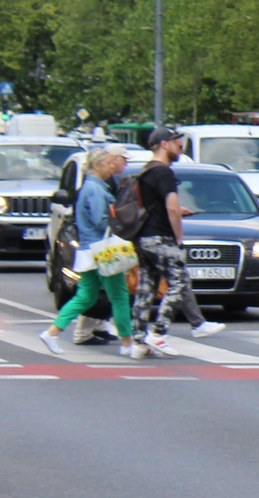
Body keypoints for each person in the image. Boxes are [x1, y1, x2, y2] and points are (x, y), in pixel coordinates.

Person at [37, 148, 144, 359]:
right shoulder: (95, 189)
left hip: (88, 251)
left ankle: (52, 332)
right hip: (102, 250)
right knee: (120, 296)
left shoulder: (89, 186)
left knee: (86, 296)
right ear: (98, 165)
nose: (111, 167)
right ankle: (127, 342)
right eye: (108, 164)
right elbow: (100, 220)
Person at [130, 126, 224, 355]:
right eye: (177, 143)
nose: (180, 148)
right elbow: (170, 207)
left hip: (143, 238)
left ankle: (139, 341)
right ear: (164, 144)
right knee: (180, 282)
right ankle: (159, 333)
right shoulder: (164, 173)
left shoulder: (146, 171)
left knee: (146, 288)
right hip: (161, 238)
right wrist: (178, 238)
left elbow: (155, 206)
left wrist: (174, 210)